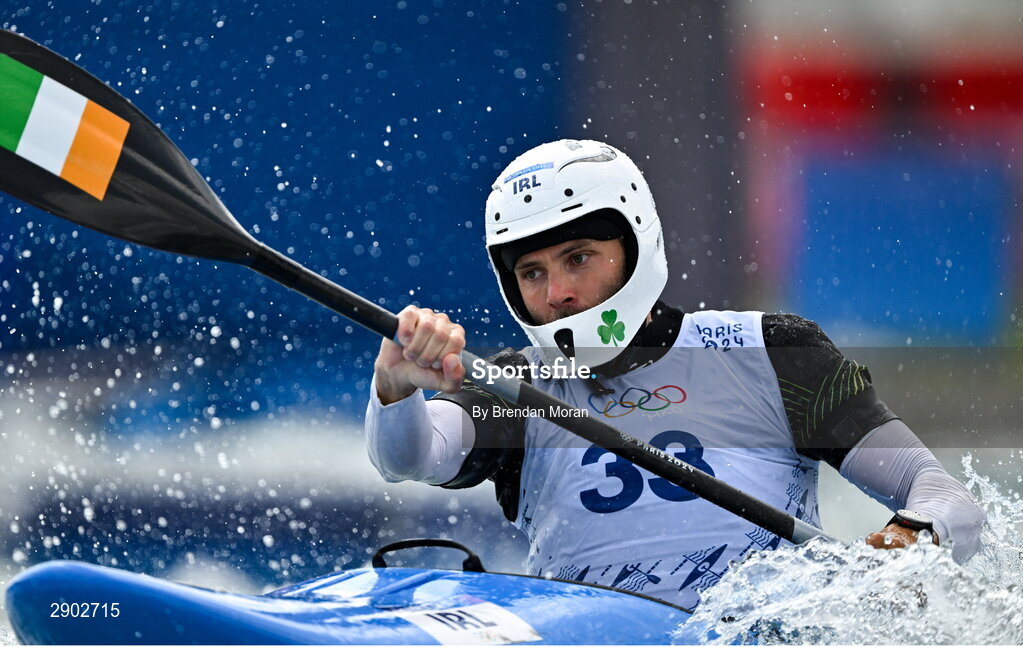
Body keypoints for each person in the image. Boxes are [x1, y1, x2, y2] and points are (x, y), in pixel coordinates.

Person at [365, 139, 985, 610]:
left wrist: (903, 546)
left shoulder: (773, 353)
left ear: (636, 248)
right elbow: (413, 456)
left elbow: (947, 499)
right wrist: (394, 388)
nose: (556, 294)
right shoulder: (512, 389)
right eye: (531, 273)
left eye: (578, 259)